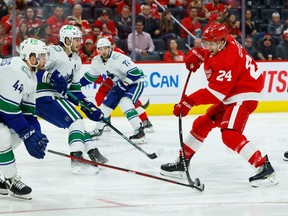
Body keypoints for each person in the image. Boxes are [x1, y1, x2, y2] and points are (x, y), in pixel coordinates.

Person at [160, 22, 278, 187]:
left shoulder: (227, 59)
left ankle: (265, 168)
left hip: (244, 93)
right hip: (233, 91)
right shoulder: (223, 41)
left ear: (222, 42)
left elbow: (215, 93)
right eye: (205, 42)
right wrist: (200, 53)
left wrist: (189, 101)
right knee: (202, 123)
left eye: (211, 44)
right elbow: (210, 51)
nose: (208, 46)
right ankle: (182, 162)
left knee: (230, 134)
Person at [35, 25, 108, 174]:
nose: (79, 42)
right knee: (76, 122)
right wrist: (50, 77)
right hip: (42, 95)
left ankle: (92, 151)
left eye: (79, 39)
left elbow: (74, 90)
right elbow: (35, 69)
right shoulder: (53, 51)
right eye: (76, 39)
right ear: (66, 39)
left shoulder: (76, 60)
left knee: (77, 123)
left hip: (55, 97)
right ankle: (77, 159)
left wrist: (88, 105)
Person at [0, 38, 48, 200]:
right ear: (31, 58)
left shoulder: (31, 77)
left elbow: (28, 113)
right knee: (2, 136)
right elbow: (8, 109)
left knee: (14, 136)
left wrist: (37, 135)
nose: (45, 59)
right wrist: (28, 134)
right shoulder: (16, 70)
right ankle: (11, 179)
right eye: (42, 56)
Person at [80, 37, 147, 143]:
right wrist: (78, 85)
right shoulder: (97, 61)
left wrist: (125, 83)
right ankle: (98, 129)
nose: (103, 51)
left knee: (125, 103)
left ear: (109, 48)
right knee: (105, 105)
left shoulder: (118, 58)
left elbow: (135, 73)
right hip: (119, 84)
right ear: (98, 50)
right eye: (100, 49)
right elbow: (90, 76)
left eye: (105, 48)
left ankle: (139, 131)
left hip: (135, 82)